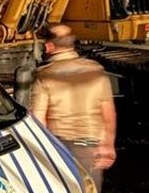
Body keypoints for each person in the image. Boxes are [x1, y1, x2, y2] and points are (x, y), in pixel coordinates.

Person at [28, 24, 116, 190]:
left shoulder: (44, 76)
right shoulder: (95, 70)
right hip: (92, 148)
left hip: (62, 149)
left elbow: (39, 120)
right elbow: (108, 113)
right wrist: (107, 144)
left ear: (48, 46)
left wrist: (43, 153)